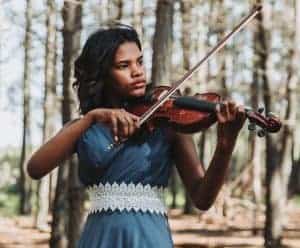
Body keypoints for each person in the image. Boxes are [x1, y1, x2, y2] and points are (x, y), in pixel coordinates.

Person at [27, 24, 246, 248]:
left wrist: (225, 145)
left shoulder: (168, 122)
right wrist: (91, 118)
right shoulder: (85, 127)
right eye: (124, 65)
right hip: (99, 238)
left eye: (140, 61)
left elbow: (202, 199)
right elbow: (35, 168)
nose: (137, 71)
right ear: (102, 74)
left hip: (149, 238)